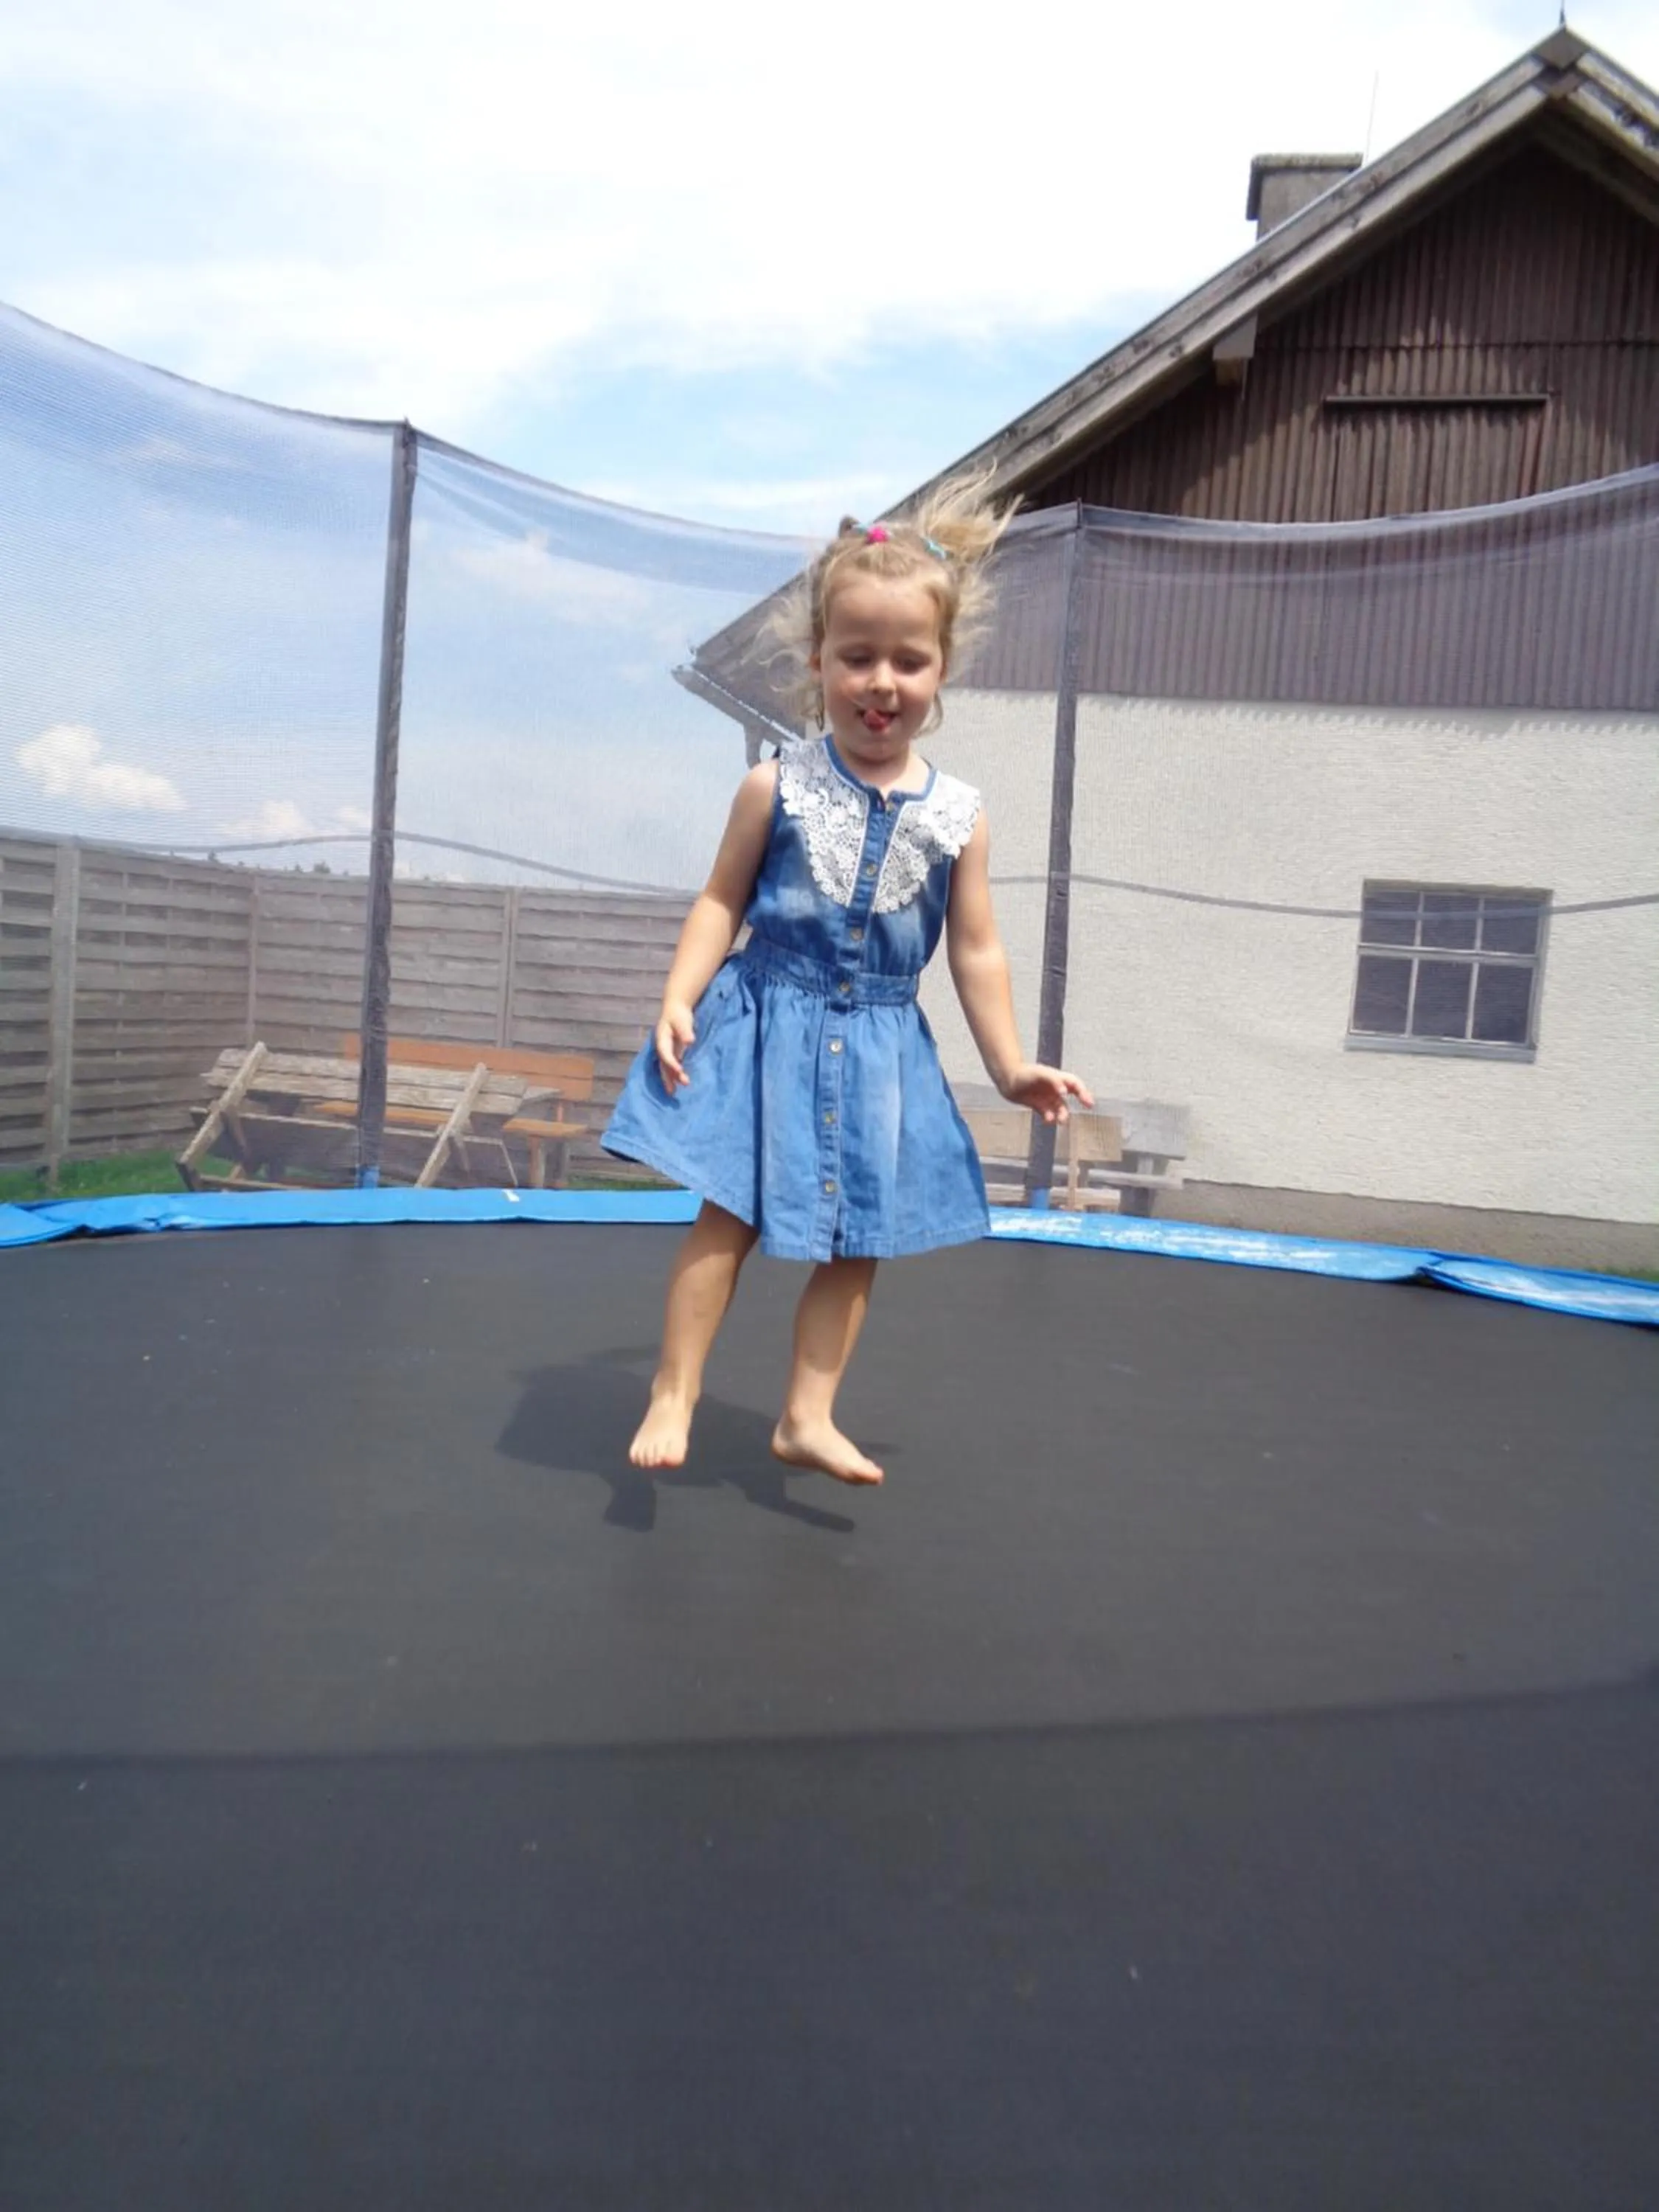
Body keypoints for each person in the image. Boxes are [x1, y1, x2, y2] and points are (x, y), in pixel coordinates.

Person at [602, 474, 1093, 1485]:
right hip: (765, 1019)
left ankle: (807, 1414)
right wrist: (678, 994)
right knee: (724, 1213)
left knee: (855, 1239)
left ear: (940, 671)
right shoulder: (775, 784)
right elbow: (718, 902)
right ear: (817, 662)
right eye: (856, 656)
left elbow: (976, 949)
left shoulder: (958, 813)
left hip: (878, 1044)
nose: (881, 681)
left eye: (906, 661)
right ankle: (674, 1386)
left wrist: (1006, 1066)